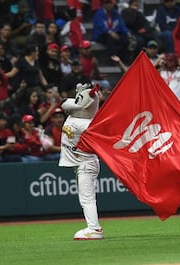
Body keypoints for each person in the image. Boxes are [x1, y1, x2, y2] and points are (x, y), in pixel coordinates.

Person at [59, 82, 103, 240]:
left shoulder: (87, 124)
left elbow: (74, 106)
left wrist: (85, 100)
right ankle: (93, 227)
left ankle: (94, 229)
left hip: (86, 163)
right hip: (81, 163)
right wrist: (82, 94)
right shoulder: (76, 113)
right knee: (85, 198)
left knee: (87, 198)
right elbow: (67, 103)